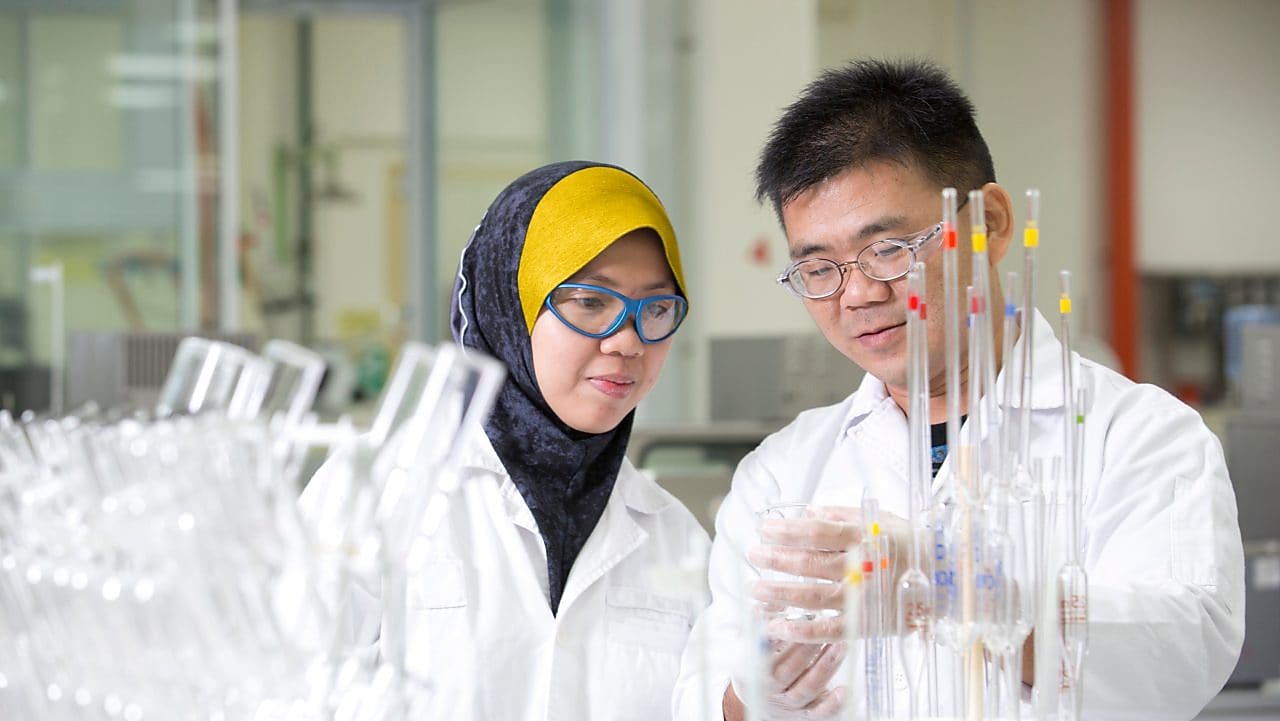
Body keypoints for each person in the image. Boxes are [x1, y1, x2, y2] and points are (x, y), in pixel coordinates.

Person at [673, 59, 1244, 720]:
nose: (857, 293)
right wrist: (754, 697)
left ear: (993, 224)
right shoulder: (781, 475)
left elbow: (1181, 650)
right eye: (819, 268)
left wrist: (951, 589)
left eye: (887, 248)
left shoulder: (1140, 437)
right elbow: (703, 693)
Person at [304, 160, 709, 720]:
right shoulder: (372, 494)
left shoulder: (673, 536)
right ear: (508, 305)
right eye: (591, 302)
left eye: (657, 308)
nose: (628, 341)